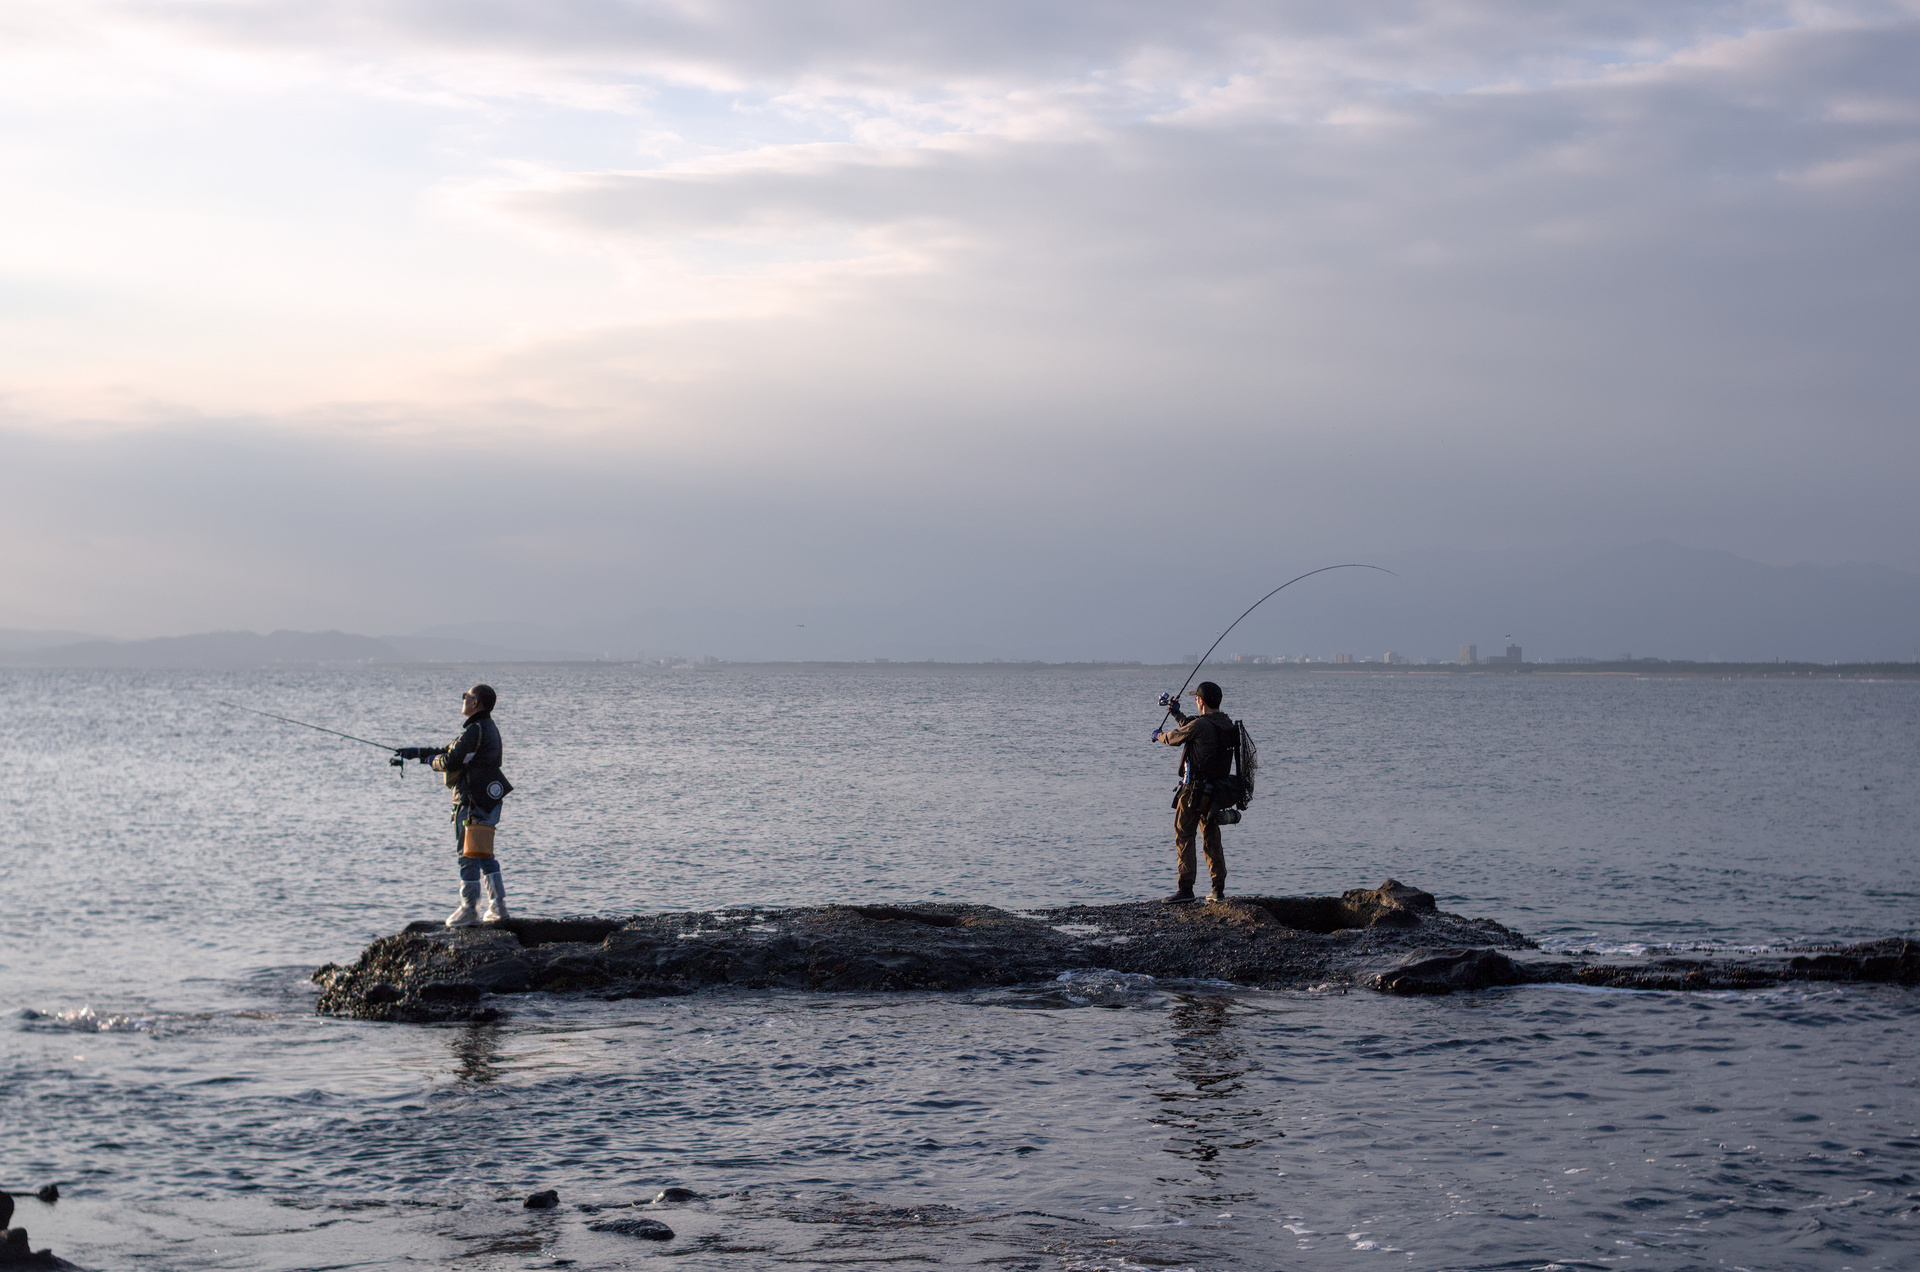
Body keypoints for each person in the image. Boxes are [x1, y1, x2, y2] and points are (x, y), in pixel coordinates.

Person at [397, 683, 513, 926]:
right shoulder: (487, 728)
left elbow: (450, 761)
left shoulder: (474, 730)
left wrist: (432, 761)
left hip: (470, 802)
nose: (463, 699)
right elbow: (451, 752)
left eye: (465, 696)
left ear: (475, 703)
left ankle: (469, 910)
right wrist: (418, 752)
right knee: (483, 853)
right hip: (486, 800)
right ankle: (498, 906)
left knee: (467, 855)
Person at [1152, 680, 1238, 904]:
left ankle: (1185, 889)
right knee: (1211, 838)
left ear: (1200, 701)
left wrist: (1158, 735)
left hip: (1194, 792)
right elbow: (1193, 728)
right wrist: (1177, 714)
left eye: (1197, 699)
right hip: (1215, 793)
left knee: (1184, 834)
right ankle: (1218, 889)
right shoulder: (1226, 723)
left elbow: (1175, 737)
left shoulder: (1201, 725)